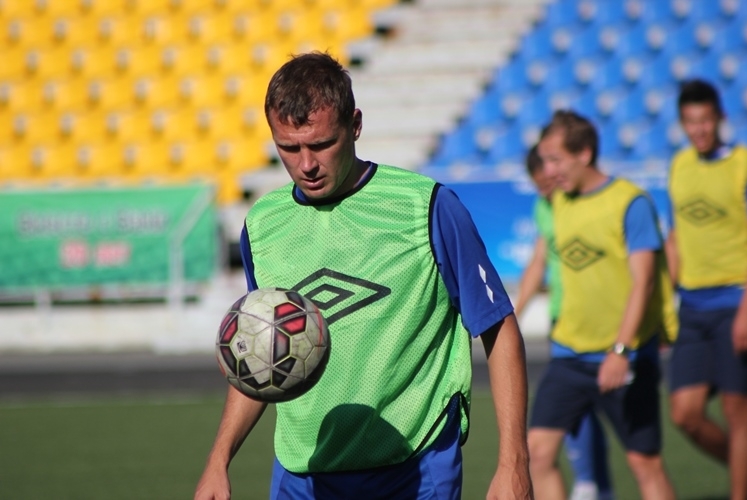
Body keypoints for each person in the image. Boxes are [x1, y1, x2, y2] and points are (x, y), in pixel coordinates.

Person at [194, 52, 533, 500]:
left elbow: (498, 328)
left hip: (412, 472)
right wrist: (218, 460)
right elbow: (262, 354)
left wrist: (514, 462)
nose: (306, 164)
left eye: (321, 144)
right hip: (303, 475)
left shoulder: (426, 207)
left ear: (354, 125)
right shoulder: (262, 225)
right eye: (289, 148)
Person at [527, 110, 677, 500]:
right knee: (537, 455)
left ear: (585, 153)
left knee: (645, 464)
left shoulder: (631, 202)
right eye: (544, 161)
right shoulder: (558, 202)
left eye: (555, 160)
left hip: (623, 356)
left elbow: (644, 282)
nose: (548, 171)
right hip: (568, 355)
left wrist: (620, 350)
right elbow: (540, 261)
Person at [665, 79, 747, 500]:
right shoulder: (679, 166)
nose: (698, 129)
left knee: (738, 412)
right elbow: (676, 237)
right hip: (692, 307)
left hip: (736, 301)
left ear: (720, 118)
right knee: (685, 414)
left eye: (705, 120)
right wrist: (664, 301)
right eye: (690, 122)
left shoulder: (743, 164)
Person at [515, 145, 613, 500]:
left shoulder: (588, 203)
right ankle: (589, 482)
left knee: (627, 429)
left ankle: (598, 482)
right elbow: (539, 260)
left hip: (602, 323)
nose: (547, 192)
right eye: (539, 187)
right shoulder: (545, 207)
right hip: (564, 322)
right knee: (573, 407)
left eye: (549, 184)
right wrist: (514, 313)